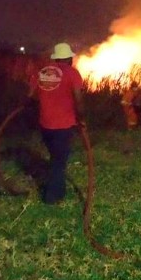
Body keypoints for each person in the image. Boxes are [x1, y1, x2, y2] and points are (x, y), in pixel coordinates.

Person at [28, 42, 85, 205]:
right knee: (59, 161)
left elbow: (31, 96)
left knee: (55, 156)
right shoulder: (72, 73)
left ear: (56, 58)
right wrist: (82, 118)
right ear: (69, 59)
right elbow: (78, 99)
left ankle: (57, 188)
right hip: (63, 125)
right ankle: (52, 196)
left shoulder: (43, 72)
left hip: (45, 124)